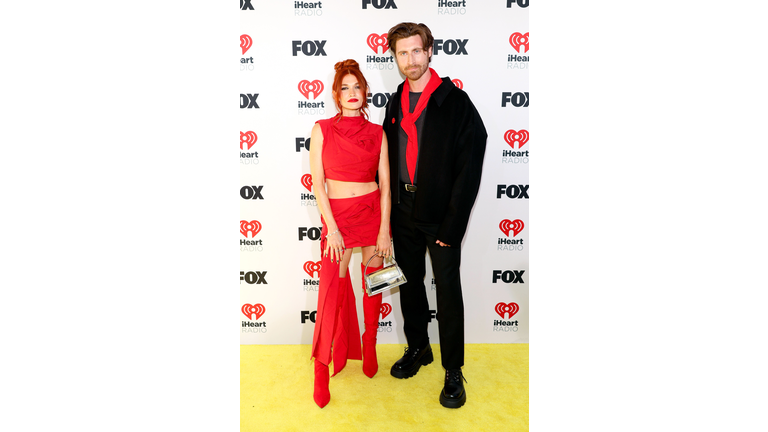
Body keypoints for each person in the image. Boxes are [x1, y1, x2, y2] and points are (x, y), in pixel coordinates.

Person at [382, 22, 487, 409]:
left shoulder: (455, 101)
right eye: (401, 53)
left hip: (441, 216)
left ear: (430, 52)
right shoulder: (394, 102)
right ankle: (419, 348)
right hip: (403, 211)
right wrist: (385, 215)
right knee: (409, 285)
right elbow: (385, 161)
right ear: (395, 58)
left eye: (416, 51)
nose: (409, 60)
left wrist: (453, 224)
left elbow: (470, 164)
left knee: (447, 293)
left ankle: (453, 369)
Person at [308, 59, 393, 408]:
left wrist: (385, 228)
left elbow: (386, 184)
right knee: (331, 288)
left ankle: (369, 344)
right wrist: (331, 228)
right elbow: (317, 184)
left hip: (373, 214)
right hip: (338, 219)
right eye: (345, 87)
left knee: (376, 280)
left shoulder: (378, 133)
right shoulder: (322, 128)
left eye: (357, 86)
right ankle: (321, 367)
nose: (352, 93)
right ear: (335, 94)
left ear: (366, 91)